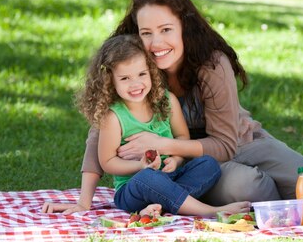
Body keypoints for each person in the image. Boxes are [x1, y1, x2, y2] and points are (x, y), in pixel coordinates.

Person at [42, 0, 303, 214]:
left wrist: (162, 144)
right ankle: (280, 212)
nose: (157, 44)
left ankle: (293, 202)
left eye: (166, 30)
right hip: (184, 162)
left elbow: (225, 145)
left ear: (183, 28)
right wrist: (84, 201)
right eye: (146, 33)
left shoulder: (211, 65)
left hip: (237, 142)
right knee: (245, 185)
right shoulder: (137, 72)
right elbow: (100, 131)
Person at [43, 34, 250, 216]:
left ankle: (160, 205)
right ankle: (209, 211)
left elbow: (182, 138)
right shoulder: (113, 117)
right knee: (149, 178)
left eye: (142, 74)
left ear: (151, 71)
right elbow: (107, 162)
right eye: (125, 78)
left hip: (171, 177)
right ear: (110, 81)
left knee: (208, 164)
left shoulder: (167, 101)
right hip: (133, 189)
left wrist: (176, 160)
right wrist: (140, 166)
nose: (135, 84)